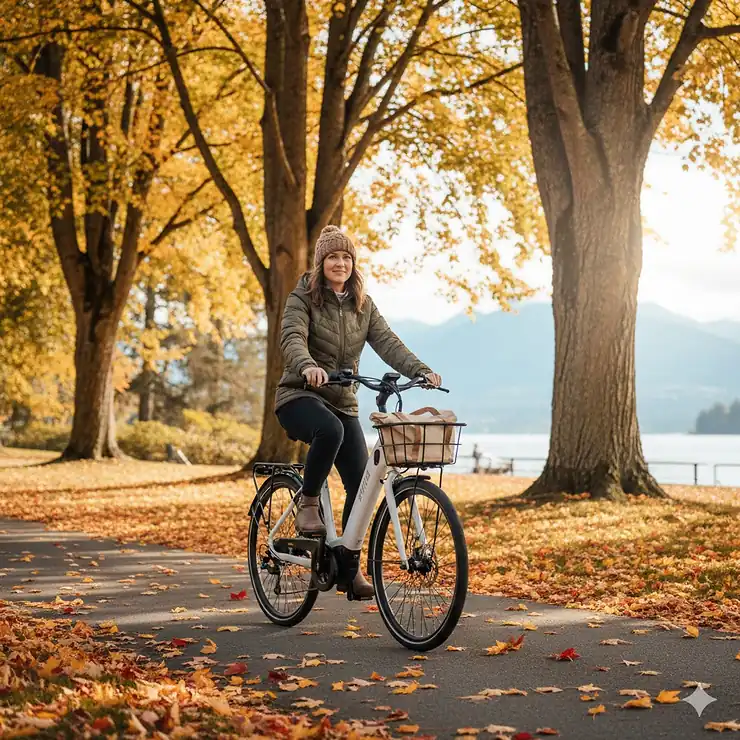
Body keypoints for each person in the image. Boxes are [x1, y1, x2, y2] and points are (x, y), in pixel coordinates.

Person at [274, 225, 441, 598]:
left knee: (362, 484)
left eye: (346, 257)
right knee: (329, 431)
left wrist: (419, 370)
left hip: (343, 400)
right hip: (299, 394)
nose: (340, 263)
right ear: (321, 263)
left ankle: (348, 568)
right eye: (332, 257)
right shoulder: (303, 295)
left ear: (353, 263)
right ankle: (309, 502)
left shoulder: (361, 303)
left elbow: (387, 341)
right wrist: (306, 367)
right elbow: (292, 336)